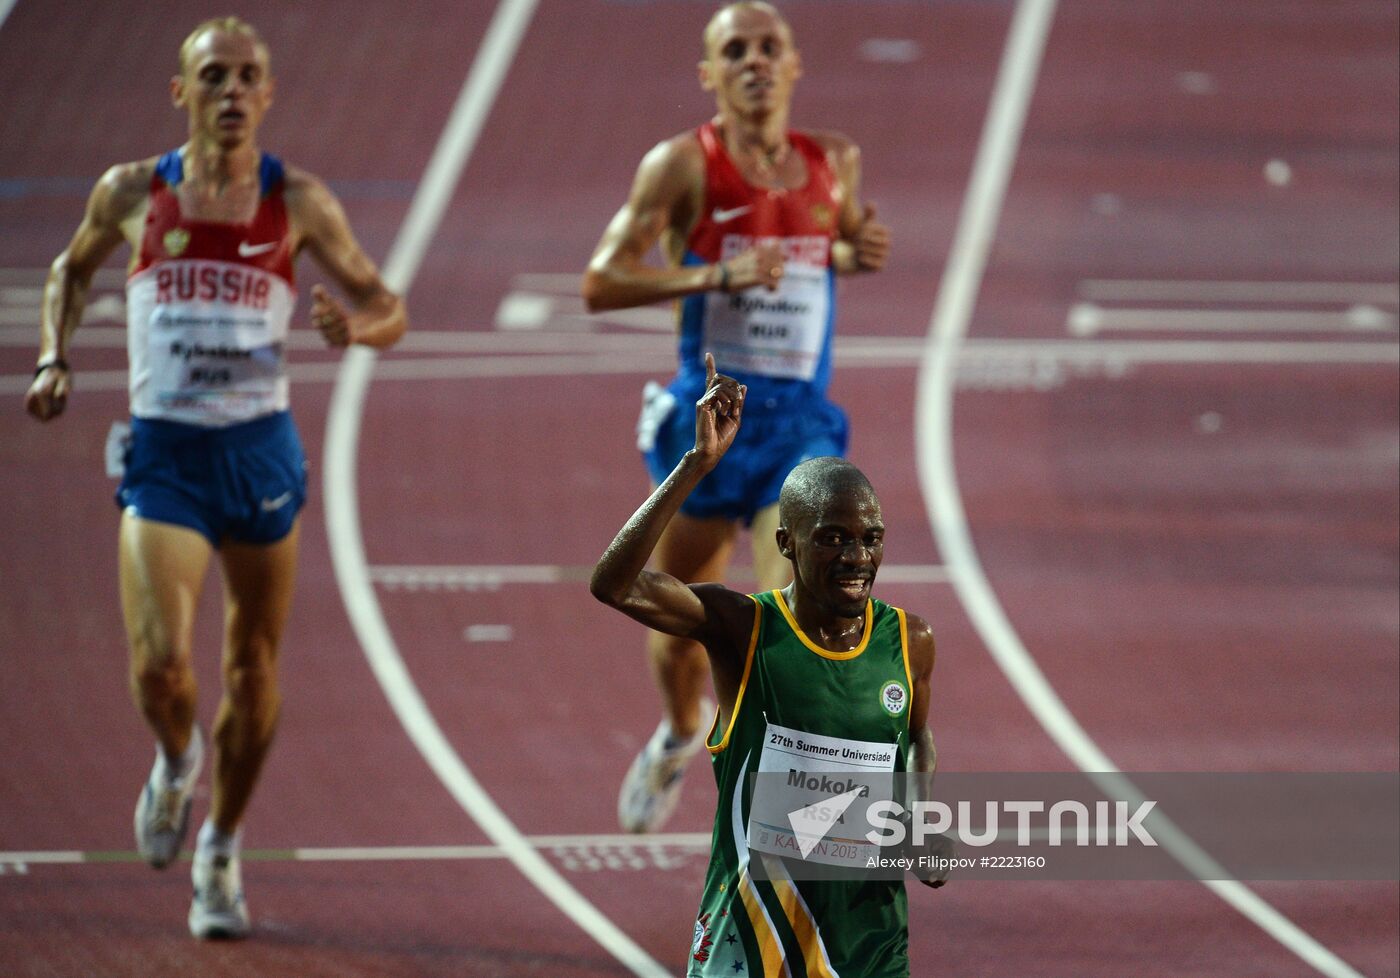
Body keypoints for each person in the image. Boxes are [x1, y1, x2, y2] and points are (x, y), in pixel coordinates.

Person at [24, 17, 406, 939]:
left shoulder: (300, 202)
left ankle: (222, 850)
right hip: (167, 455)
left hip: (259, 453)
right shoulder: (131, 191)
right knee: (161, 667)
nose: (232, 92)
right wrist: (52, 356)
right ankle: (174, 761)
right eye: (214, 76)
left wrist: (359, 332)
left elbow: (388, 304)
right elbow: (68, 271)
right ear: (180, 91)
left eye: (248, 78)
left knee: (252, 664)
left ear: (267, 95)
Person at [582, 0, 891, 833]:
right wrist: (714, 277)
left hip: (799, 426)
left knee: (801, 602)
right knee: (677, 618)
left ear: (795, 66)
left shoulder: (836, 162)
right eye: (734, 50)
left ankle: (794, 806)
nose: (754, 61)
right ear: (709, 74)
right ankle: (682, 730)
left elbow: (840, 244)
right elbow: (602, 281)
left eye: (768, 48)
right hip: (711, 418)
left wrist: (857, 251)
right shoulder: (682, 166)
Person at [591, 355, 943, 977]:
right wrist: (694, 466)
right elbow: (614, 585)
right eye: (833, 537)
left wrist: (922, 812)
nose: (857, 557)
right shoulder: (743, 628)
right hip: (752, 942)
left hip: (868, 941)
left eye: (870, 538)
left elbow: (915, 737)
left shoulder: (909, 641)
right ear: (787, 543)